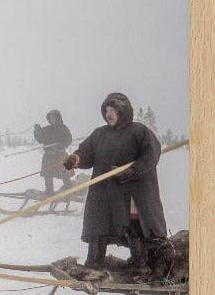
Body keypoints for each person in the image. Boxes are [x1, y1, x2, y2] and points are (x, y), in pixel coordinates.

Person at [61, 92, 167, 270]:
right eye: (106, 110)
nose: (109, 114)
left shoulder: (139, 131)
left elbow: (151, 156)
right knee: (97, 222)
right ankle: (95, 262)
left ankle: (141, 264)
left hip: (132, 191)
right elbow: (85, 153)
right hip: (103, 190)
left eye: (113, 110)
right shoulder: (100, 134)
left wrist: (132, 171)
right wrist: (75, 159)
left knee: (134, 225)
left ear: (123, 111)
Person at [33, 109, 73, 195]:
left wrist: (58, 147)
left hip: (60, 155)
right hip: (48, 157)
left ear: (58, 118)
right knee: (47, 174)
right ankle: (49, 192)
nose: (52, 119)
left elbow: (68, 139)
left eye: (53, 117)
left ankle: (69, 190)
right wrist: (37, 131)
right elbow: (40, 139)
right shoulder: (47, 129)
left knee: (64, 173)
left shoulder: (63, 128)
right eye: (50, 118)